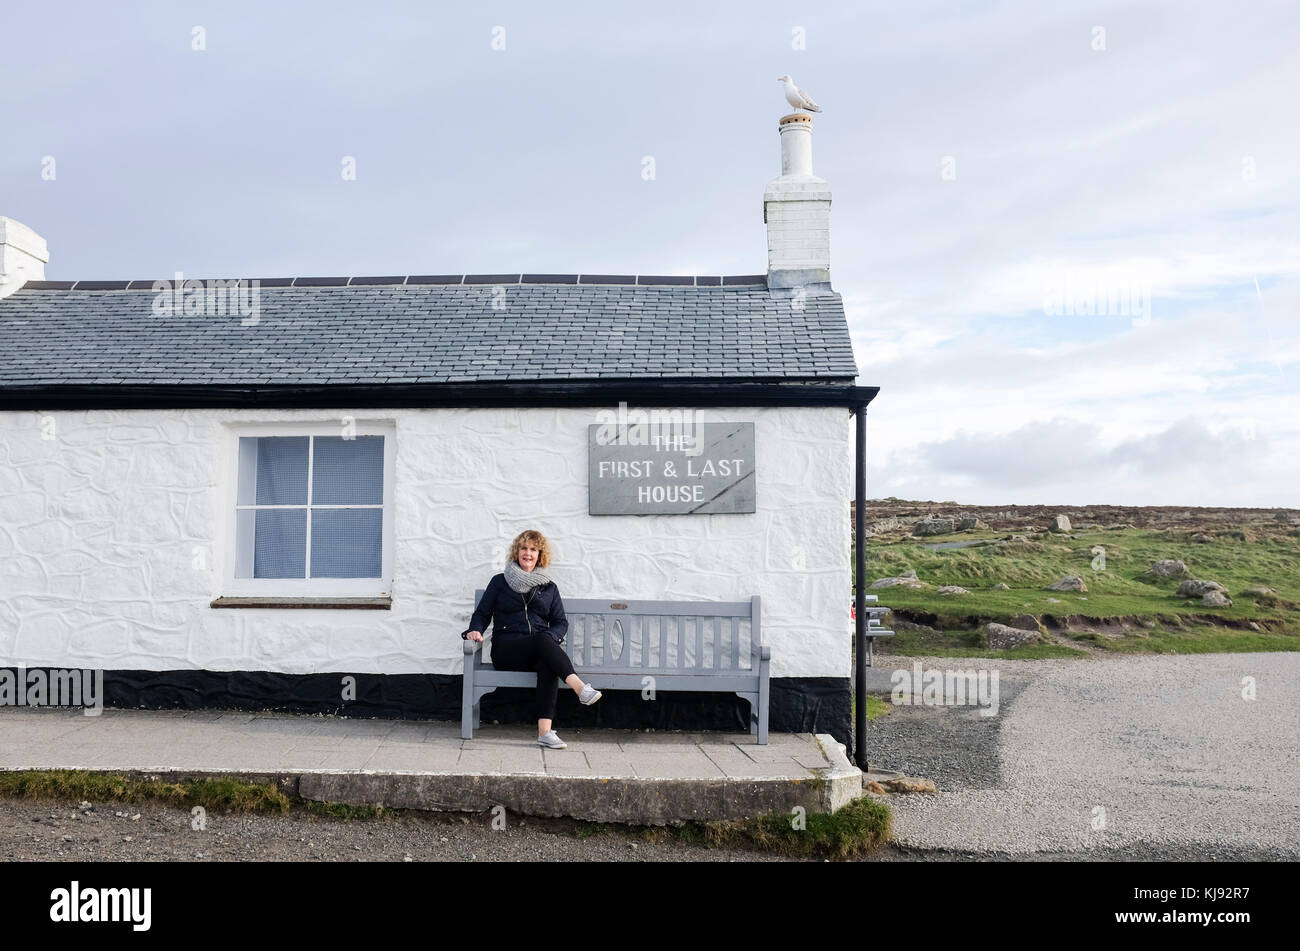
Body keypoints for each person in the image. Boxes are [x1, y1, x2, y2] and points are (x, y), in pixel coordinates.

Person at [461, 529, 601, 748]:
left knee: (547, 661)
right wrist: (474, 630)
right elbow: (482, 613)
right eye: (524, 548)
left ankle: (544, 733)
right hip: (506, 648)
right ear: (517, 552)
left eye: (533, 549)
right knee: (543, 641)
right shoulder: (500, 582)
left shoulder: (549, 587)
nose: (528, 553)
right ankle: (580, 688)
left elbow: (560, 622)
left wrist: (552, 637)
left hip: (537, 648)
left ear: (540, 555)